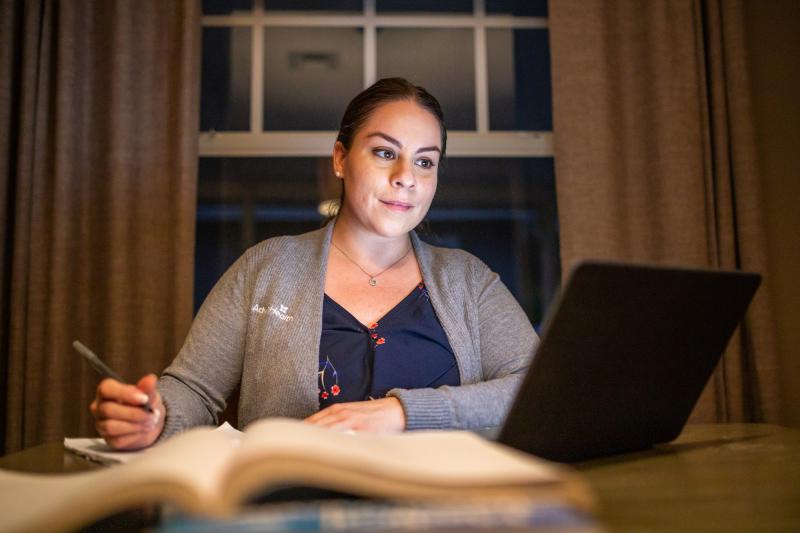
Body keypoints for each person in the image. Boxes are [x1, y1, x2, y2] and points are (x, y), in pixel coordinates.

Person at [91, 78, 539, 450]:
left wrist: (401, 412)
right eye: (385, 153)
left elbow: (536, 387)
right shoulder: (264, 269)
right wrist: (154, 417)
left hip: (443, 512)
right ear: (340, 159)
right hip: (289, 509)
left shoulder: (470, 280)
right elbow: (193, 389)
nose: (406, 176)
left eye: (425, 161)